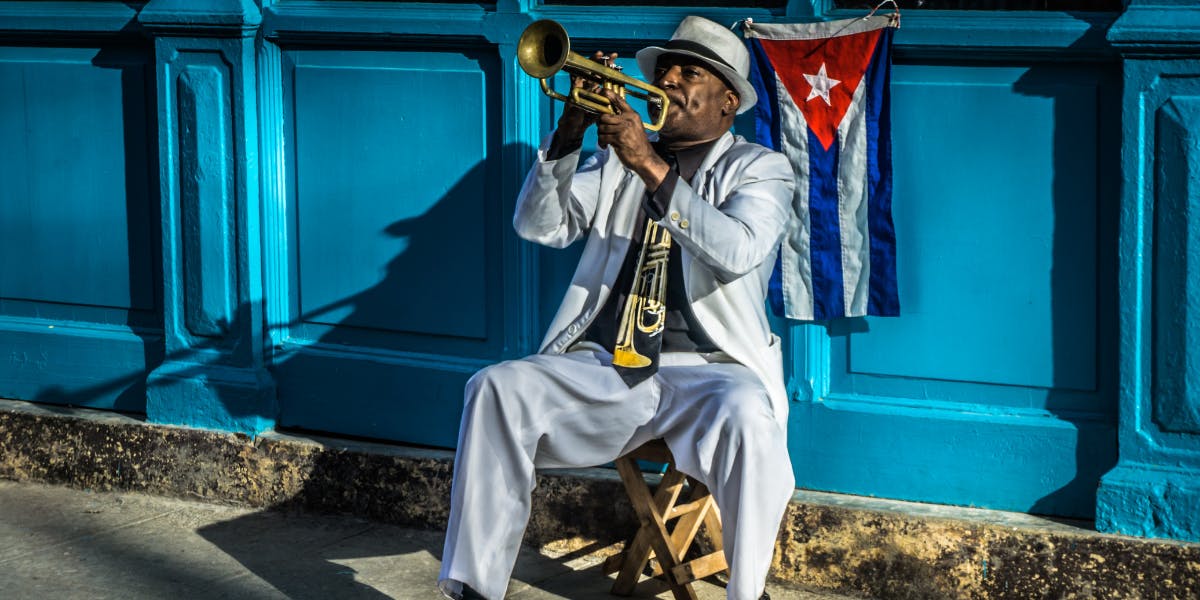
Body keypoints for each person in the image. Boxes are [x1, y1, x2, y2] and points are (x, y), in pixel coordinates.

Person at [438, 15, 796, 600]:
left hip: (710, 372)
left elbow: (737, 251)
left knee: (750, 420)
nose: (668, 80)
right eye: (665, 70)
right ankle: (475, 589)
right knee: (494, 388)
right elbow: (539, 226)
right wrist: (568, 135)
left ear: (728, 101)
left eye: (689, 73)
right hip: (607, 364)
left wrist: (649, 166)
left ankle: (747, 593)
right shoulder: (614, 164)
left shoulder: (759, 167)